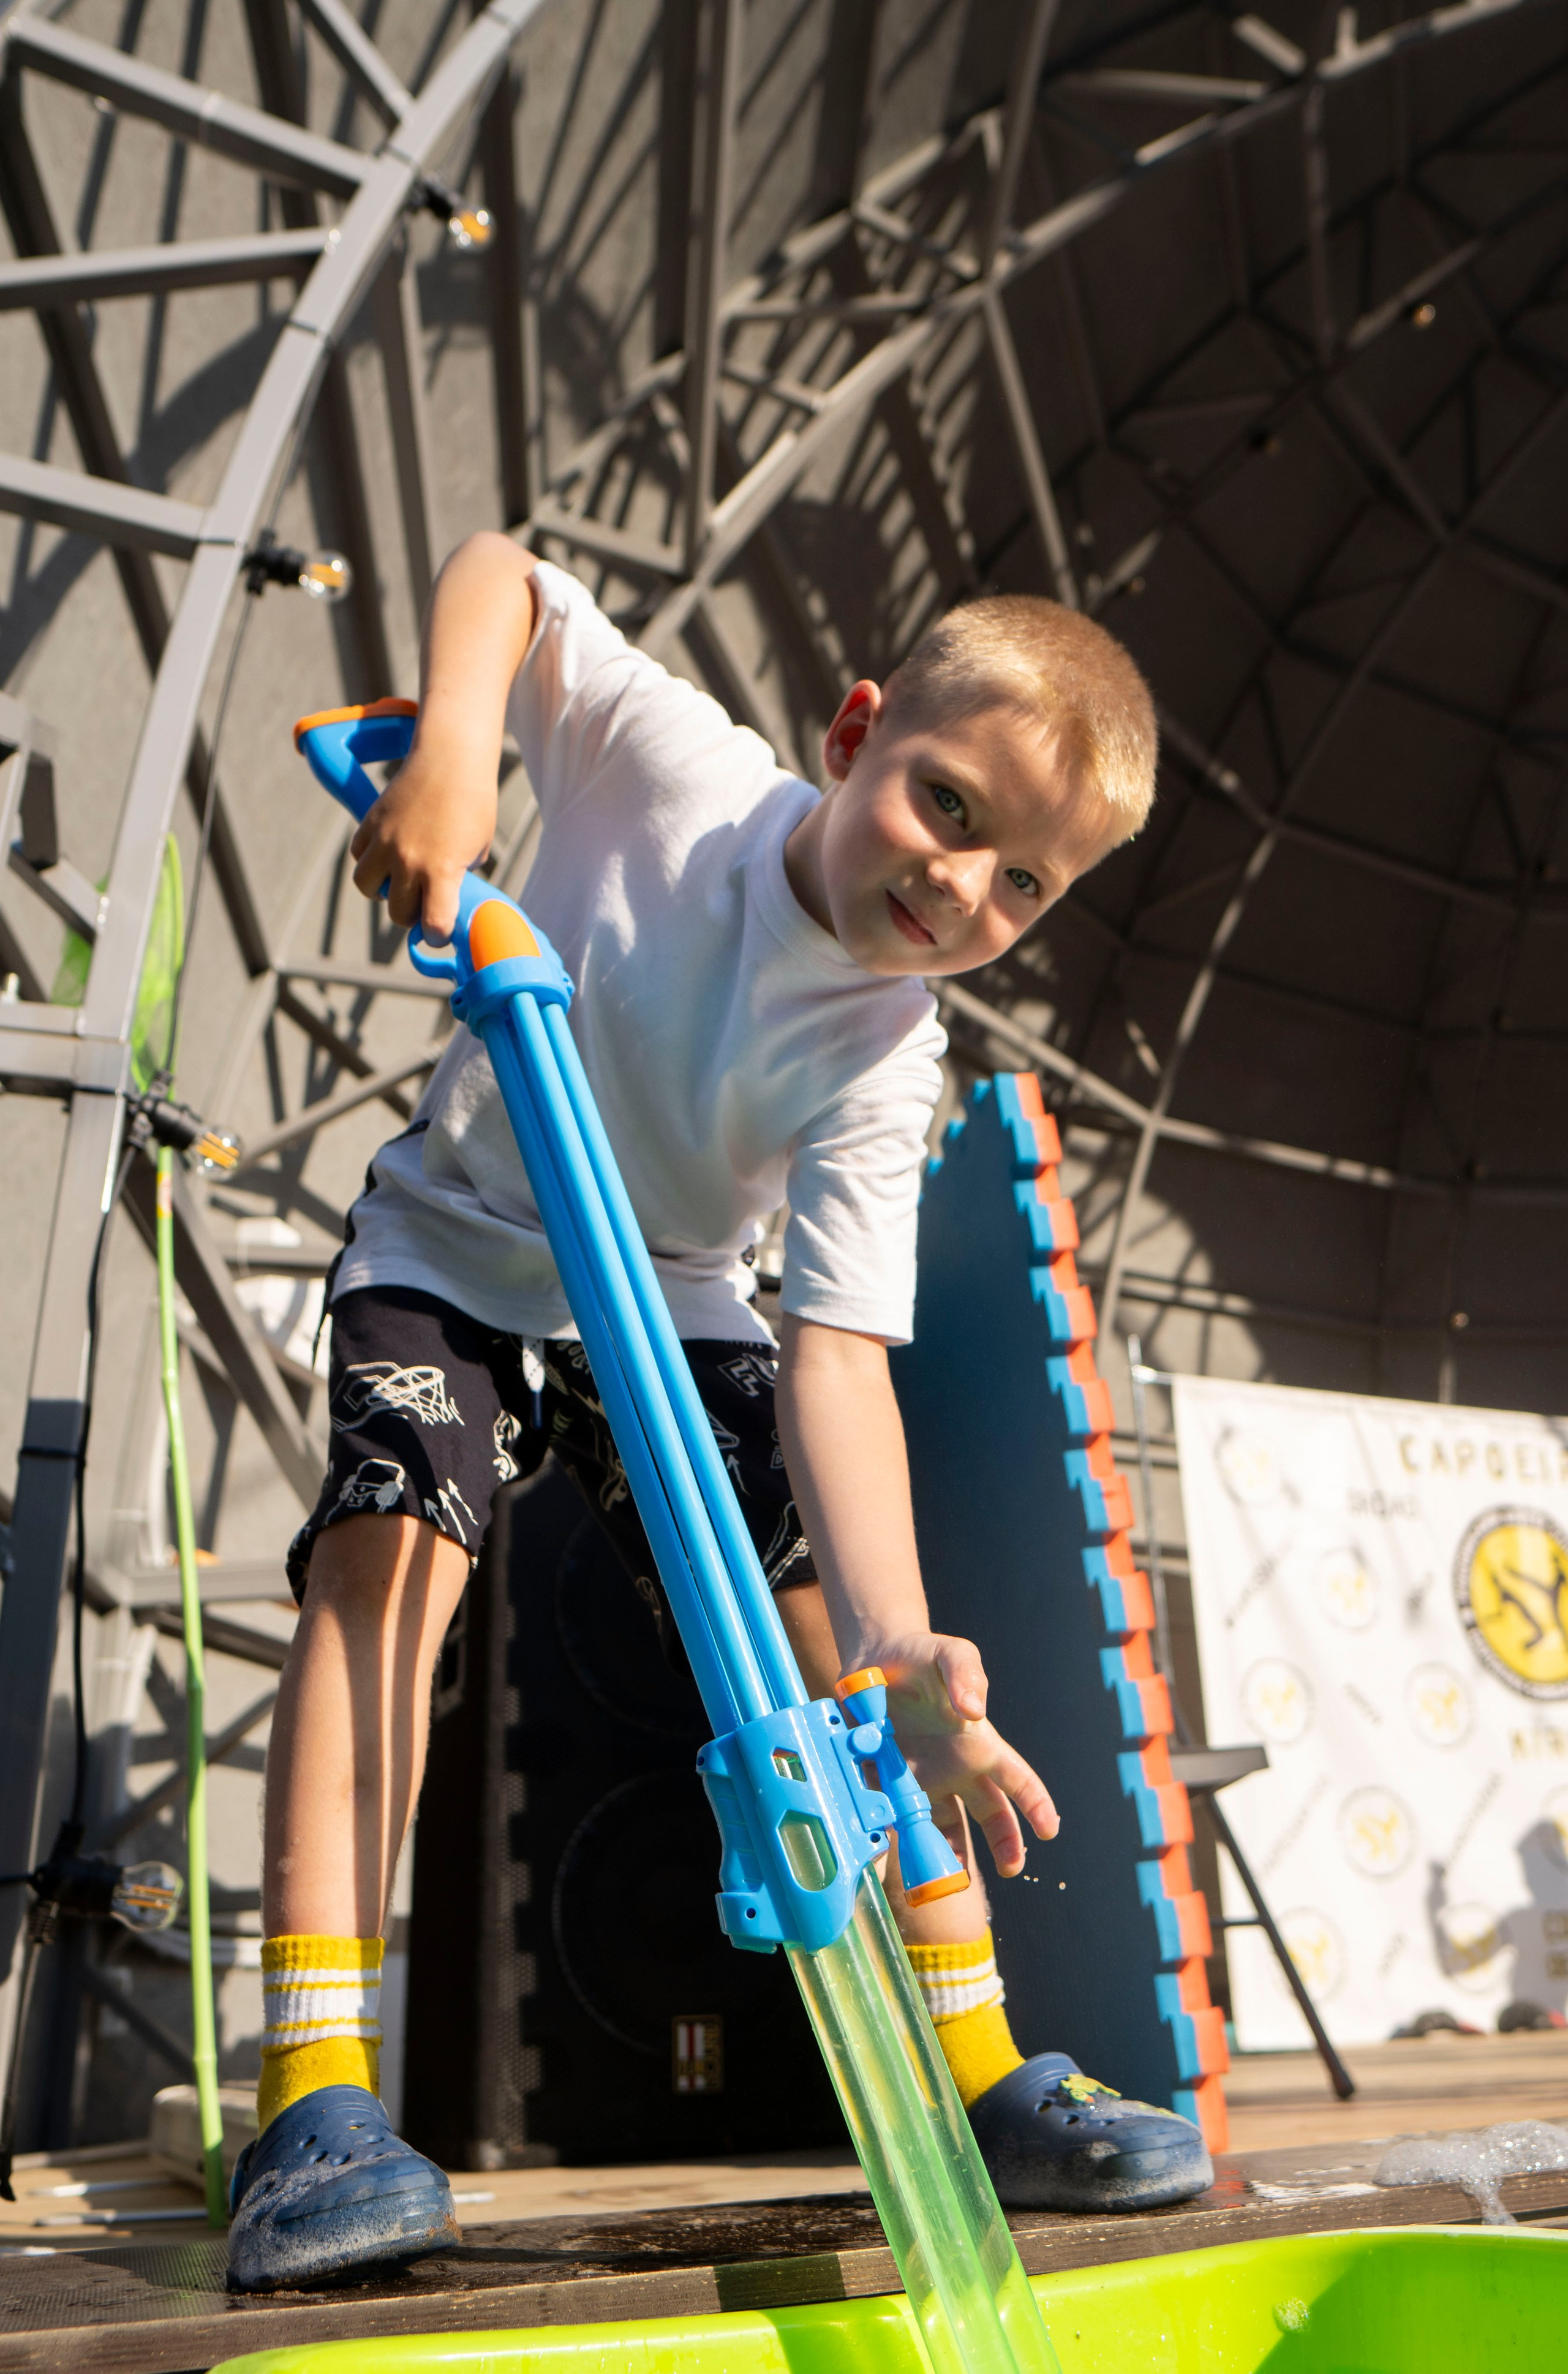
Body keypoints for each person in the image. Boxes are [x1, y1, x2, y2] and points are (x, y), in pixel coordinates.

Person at [227, 537, 1210, 2293]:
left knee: (826, 1635)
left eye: (1027, 887)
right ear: (851, 734)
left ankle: (979, 2069)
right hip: (454, 1246)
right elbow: (501, 578)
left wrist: (907, 1654)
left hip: (667, 1293)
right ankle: (313, 2099)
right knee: (389, 1560)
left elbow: (835, 1361)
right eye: (950, 804)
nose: (965, 884)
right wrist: (459, 754)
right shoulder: (674, 764)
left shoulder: (890, 1052)